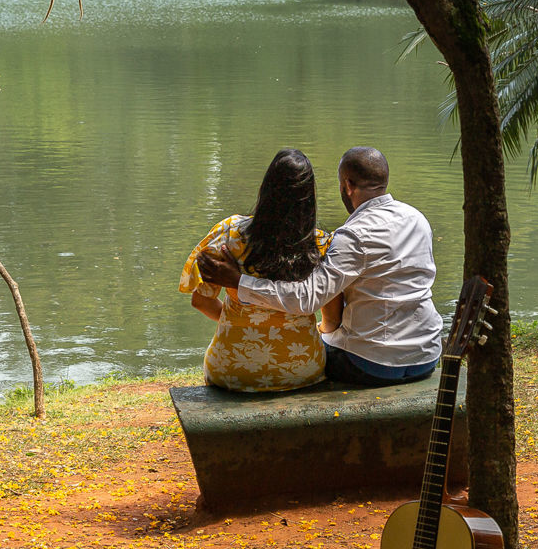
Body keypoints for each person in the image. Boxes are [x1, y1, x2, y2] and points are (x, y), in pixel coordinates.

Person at [198, 146, 443, 387]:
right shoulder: (417, 219)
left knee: (312, 348)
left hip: (371, 364)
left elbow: (307, 300)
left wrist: (238, 282)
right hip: (426, 355)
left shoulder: (353, 236)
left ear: (347, 185)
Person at [178, 149, 344, 392]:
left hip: (230, 370)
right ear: (309, 196)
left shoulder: (229, 234)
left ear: (266, 188)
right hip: (301, 370)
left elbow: (201, 302)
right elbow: (332, 320)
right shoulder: (322, 245)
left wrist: (242, 321)